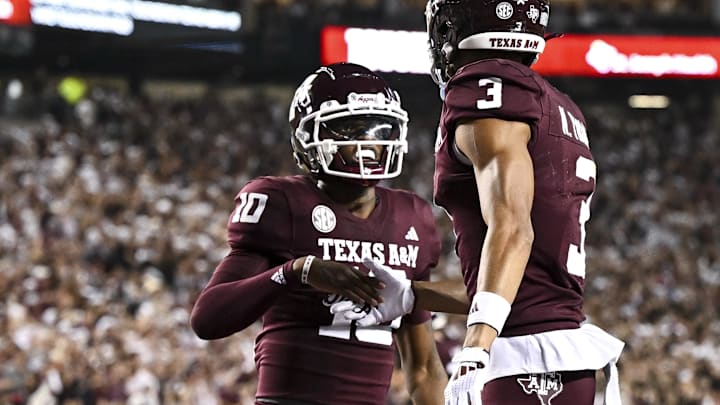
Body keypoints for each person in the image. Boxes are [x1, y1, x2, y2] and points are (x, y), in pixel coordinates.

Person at [333, 1, 625, 404]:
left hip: (521, 363)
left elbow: (513, 228)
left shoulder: (488, 88)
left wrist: (476, 347)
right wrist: (412, 294)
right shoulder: (559, 106)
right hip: (559, 362)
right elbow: (521, 286)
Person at [189, 62, 448, 405]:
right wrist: (297, 272)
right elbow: (208, 318)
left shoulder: (411, 215)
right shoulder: (283, 202)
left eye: (379, 130)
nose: (368, 145)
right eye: (351, 130)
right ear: (308, 139)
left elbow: (424, 368)